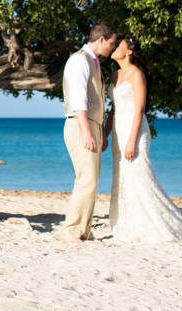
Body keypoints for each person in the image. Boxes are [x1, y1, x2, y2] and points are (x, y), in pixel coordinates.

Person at [107, 34, 182, 243]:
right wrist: (105, 132)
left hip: (133, 130)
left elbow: (139, 110)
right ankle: (129, 225)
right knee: (122, 176)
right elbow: (113, 108)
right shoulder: (113, 75)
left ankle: (153, 226)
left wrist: (131, 140)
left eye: (119, 44)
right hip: (118, 129)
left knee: (139, 173)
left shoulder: (137, 74)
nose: (114, 46)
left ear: (129, 52)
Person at [59, 22, 117, 243]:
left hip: (91, 125)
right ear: (101, 39)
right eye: (112, 43)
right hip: (79, 124)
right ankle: (71, 230)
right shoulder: (79, 60)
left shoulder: (94, 63)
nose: (113, 47)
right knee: (87, 180)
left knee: (92, 180)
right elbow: (78, 100)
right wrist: (87, 132)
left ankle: (84, 229)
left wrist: (100, 131)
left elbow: (96, 101)